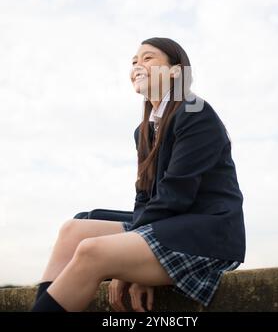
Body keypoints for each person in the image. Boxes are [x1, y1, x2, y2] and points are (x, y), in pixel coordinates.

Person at [31, 36, 246, 312]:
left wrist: (126, 261)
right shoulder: (144, 130)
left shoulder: (195, 113)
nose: (137, 65)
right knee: (73, 230)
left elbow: (176, 195)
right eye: (134, 61)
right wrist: (132, 255)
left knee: (92, 251)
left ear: (176, 72)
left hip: (206, 233)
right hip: (170, 223)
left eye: (148, 58)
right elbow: (145, 197)